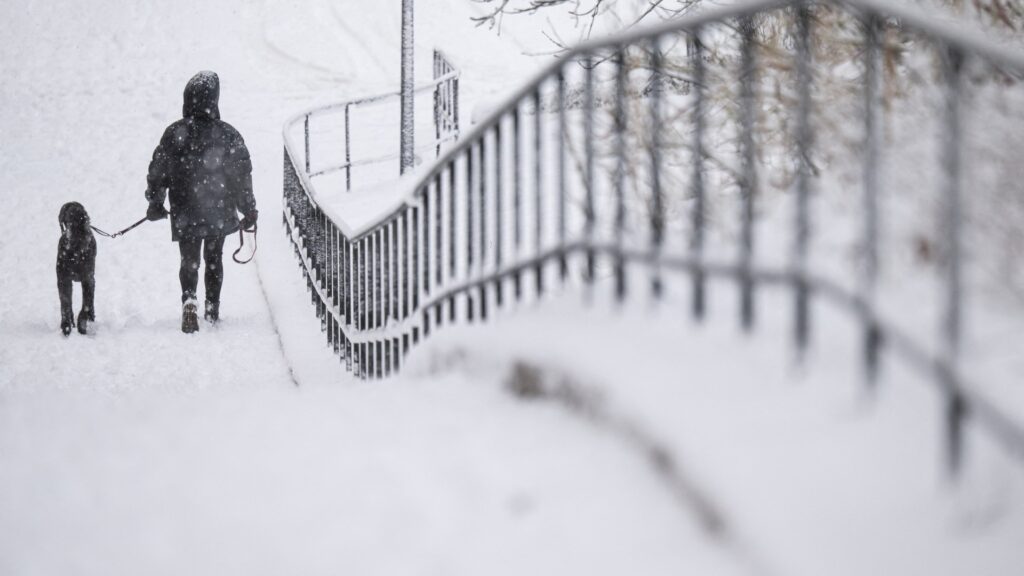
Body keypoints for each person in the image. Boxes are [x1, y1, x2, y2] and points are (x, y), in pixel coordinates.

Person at [144, 71, 258, 333]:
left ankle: (189, 300)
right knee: (214, 258)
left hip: (185, 208)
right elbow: (241, 176)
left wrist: (156, 202)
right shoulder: (228, 134)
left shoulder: (175, 133)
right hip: (218, 208)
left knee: (189, 259)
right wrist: (248, 208)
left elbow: (158, 171)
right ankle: (212, 307)